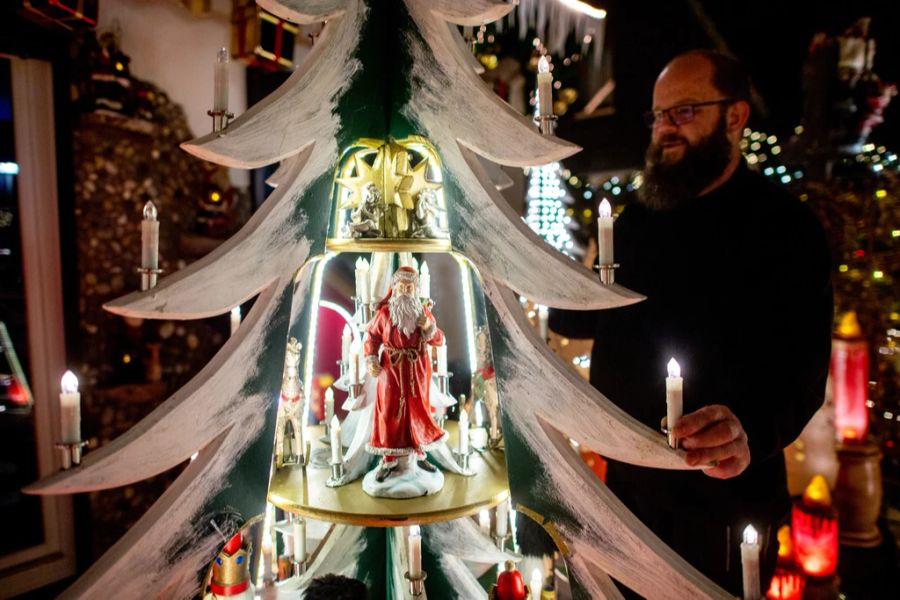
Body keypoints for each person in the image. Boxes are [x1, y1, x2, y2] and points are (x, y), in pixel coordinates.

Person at [550, 49, 832, 596]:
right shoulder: (636, 223)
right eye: (658, 116)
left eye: (683, 112)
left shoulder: (787, 230)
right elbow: (582, 320)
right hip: (627, 500)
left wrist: (747, 427)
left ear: (735, 116)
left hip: (722, 509)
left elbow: (802, 374)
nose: (664, 130)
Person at [365, 266, 447, 482]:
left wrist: (428, 325)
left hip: (416, 370)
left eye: (408, 287)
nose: (404, 291)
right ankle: (388, 459)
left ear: (415, 290)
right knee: (389, 413)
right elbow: (372, 337)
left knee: (418, 410)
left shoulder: (423, 312)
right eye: (400, 287)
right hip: (390, 372)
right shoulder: (384, 314)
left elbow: (439, 339)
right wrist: (371, 357)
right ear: (394, 288)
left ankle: (420, 453)